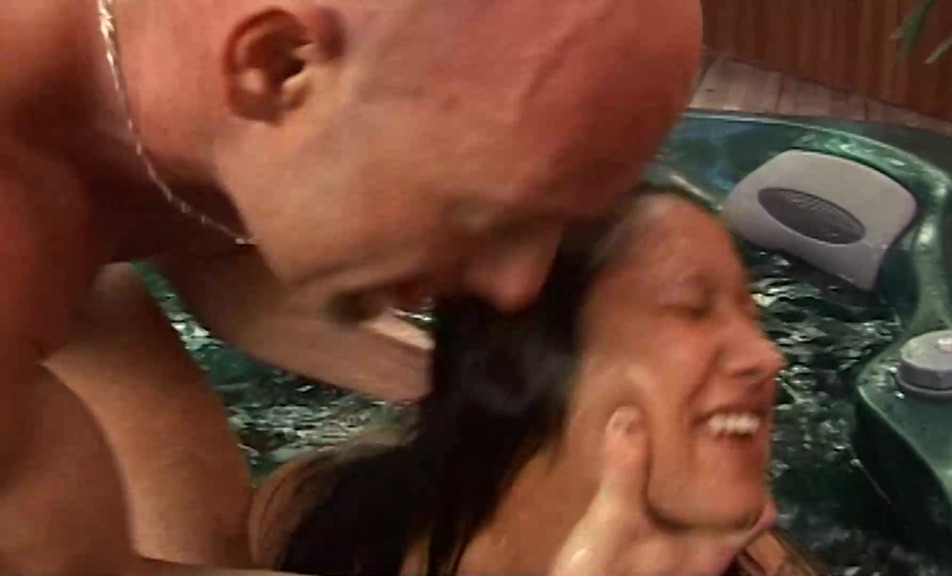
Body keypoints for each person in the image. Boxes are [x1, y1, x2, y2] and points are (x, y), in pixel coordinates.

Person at [1, 0, 704, 572]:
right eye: (480, 215)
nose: (520, 286)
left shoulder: (179, 63)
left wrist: (500, 407)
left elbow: (221, 249)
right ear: (280, 64)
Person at [248, 192, 785, 576]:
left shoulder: (754, 559)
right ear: (531, 364)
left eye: (750, 316)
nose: (768, 357)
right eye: (691, 309)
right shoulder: (315, 519)